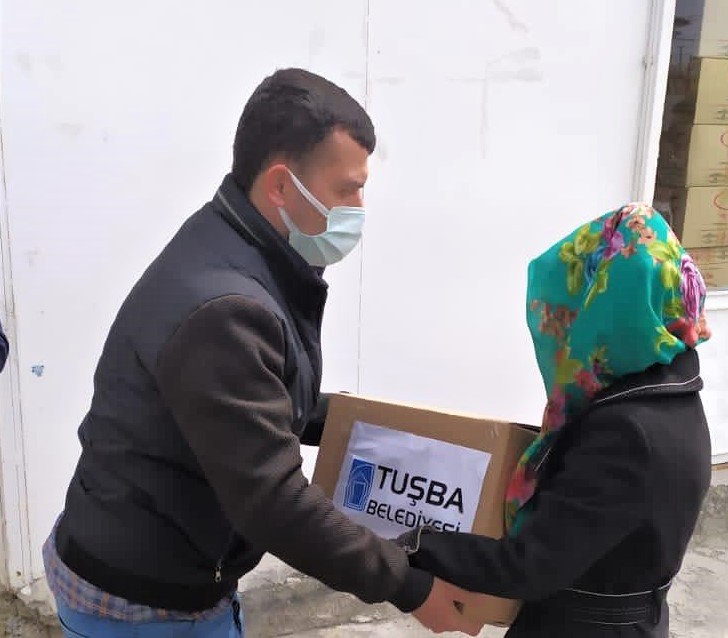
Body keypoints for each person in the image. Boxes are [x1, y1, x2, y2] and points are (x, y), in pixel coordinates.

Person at [45, 68, 481, 638]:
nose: (359, 207)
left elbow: (250, 396)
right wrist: (408, 585)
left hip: (163, 561)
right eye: (346, 189)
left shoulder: (234, 243)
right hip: (142, 604)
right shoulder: (224, 308)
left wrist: (359, 423)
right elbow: (274, 502)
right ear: (281, 186)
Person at [398, 204, 712, 637]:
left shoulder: (627, 430)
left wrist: (411, 545)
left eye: (573, 309)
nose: (561, 328)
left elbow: (528, 565)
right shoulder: (670, 392)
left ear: (609, 309)